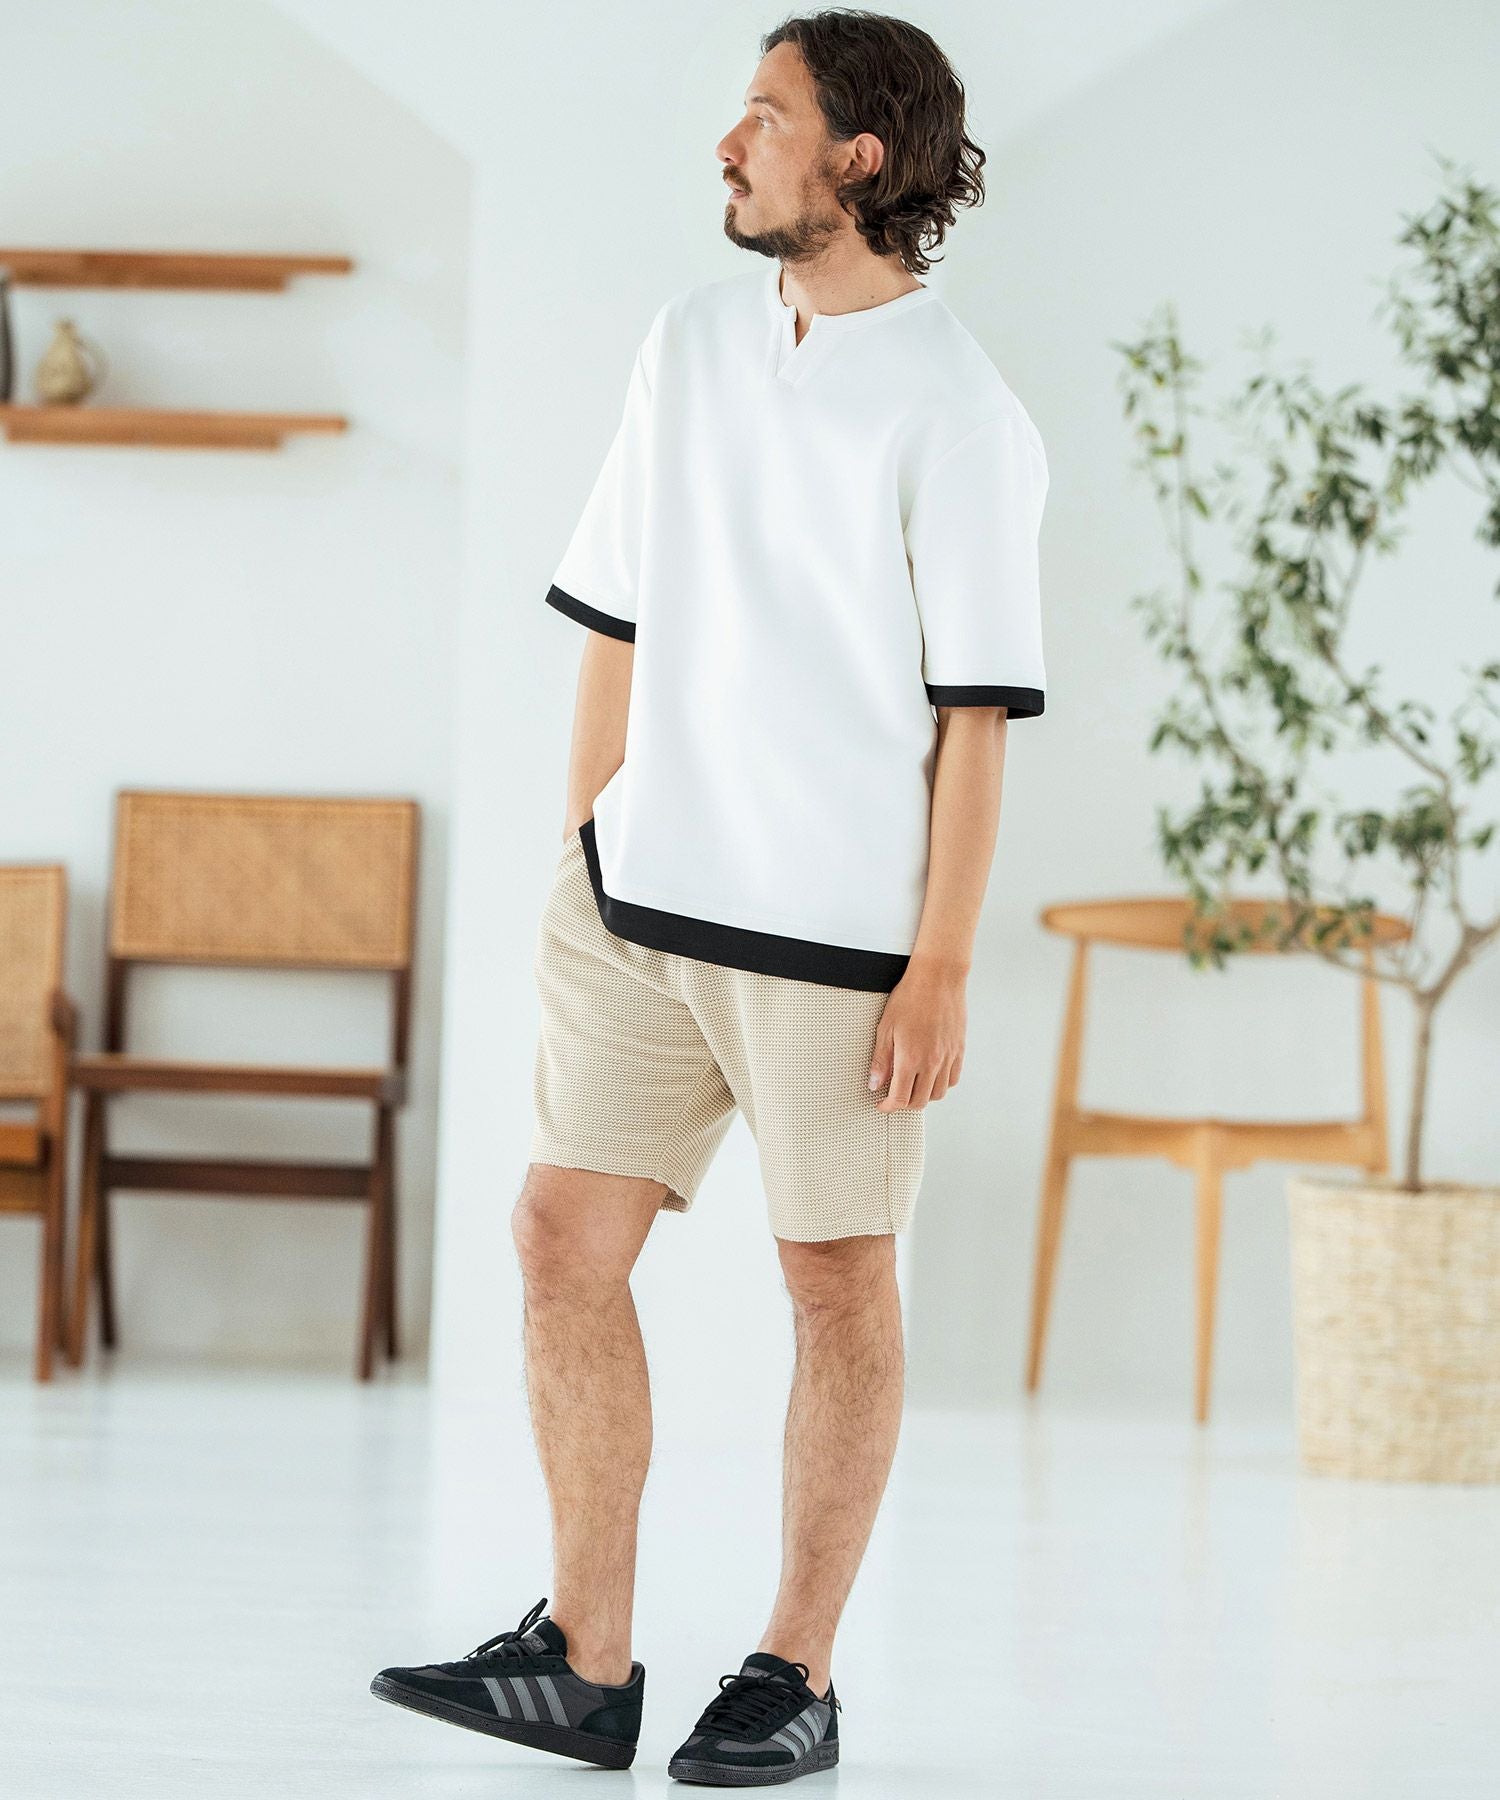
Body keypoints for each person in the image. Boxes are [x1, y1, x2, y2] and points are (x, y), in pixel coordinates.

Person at [371, 10, 1048, 1785]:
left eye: (765, 114)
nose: (729, 143)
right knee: (556, 1240)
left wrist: (943, 965)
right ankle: (584, 1661)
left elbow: (976, 718)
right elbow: (616, 608)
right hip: (637, 905)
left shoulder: (963, 414)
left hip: (836, 946)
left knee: (835, 1286)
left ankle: (793, 1674)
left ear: (860, 158)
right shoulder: (687, 344)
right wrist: (585, 836)